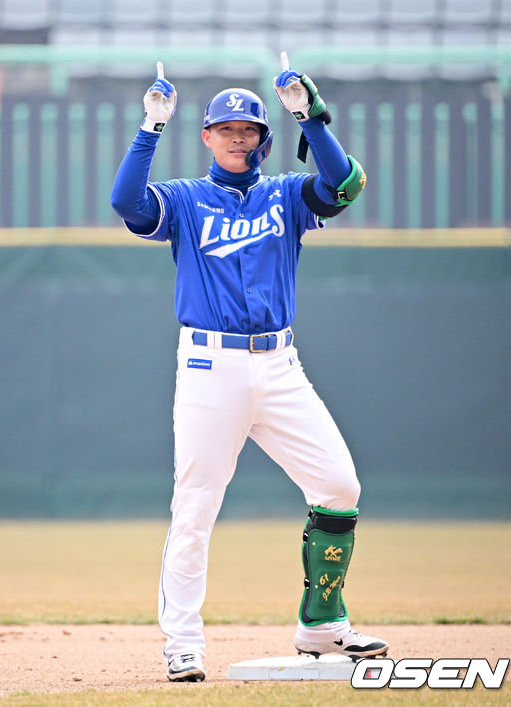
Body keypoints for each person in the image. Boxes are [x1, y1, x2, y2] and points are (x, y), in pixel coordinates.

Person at [111, 52, 388, 683]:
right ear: (207, 137)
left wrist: (310, 117)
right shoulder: (184, 199)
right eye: (226, 129)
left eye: (250, 130)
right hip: (210, 366)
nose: (238, 138)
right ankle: (183, 643)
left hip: (281, 365)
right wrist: (150, 127)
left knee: (339, 486)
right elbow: (126, 201)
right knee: (195, 508)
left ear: (264, 139)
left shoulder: (287, 194)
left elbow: (344, 184)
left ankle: (322, 623)